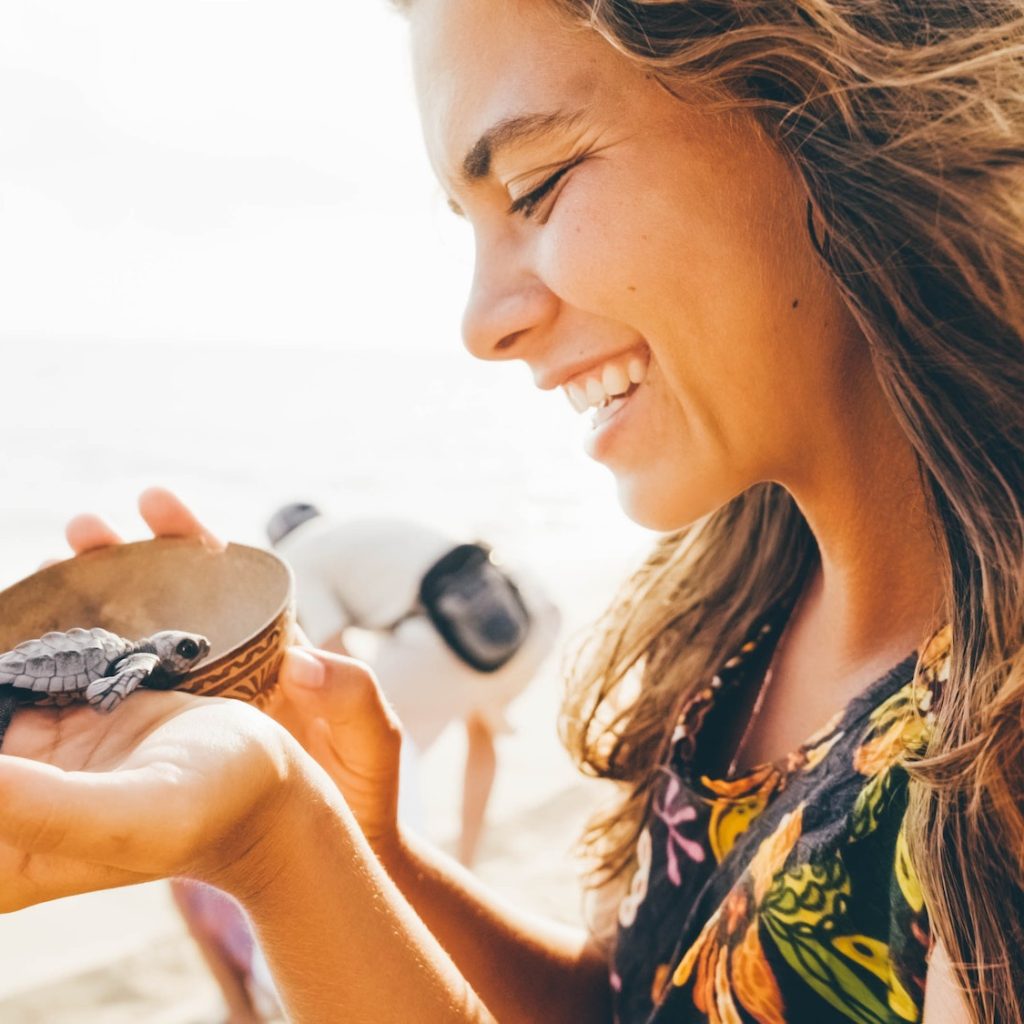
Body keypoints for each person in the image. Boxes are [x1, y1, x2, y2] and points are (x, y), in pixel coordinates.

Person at [0, 1, 1021, 1021]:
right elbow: (631, 1004)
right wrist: (371, 852)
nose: (481, 323)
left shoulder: (995, 766)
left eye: (533, 187)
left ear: (827, 104)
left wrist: (280, 843)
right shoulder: (752, 608)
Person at [265, 502, 562, 865]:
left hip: (441, 642)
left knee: (370, 747)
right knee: (480, 730)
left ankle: (398, 867)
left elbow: (338, 662)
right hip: (524, 622)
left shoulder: (294, 559)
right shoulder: (359, 526)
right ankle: (468, 862)